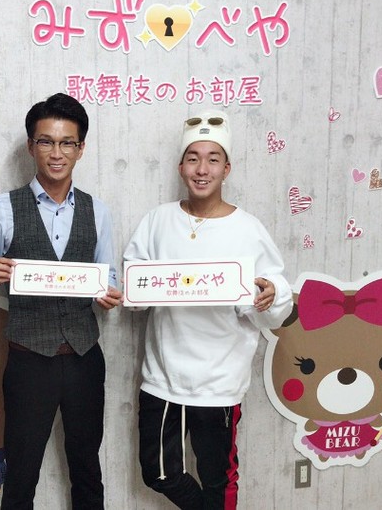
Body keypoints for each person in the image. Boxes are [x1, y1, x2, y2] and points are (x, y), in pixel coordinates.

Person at [123, 110, 293, 510]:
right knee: (158, 473)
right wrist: (139, 288)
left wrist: (271, 296)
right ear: (181, 167)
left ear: (226, 168)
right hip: (163, 377)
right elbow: (134, 287)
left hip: (220, 381)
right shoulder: (157, 221)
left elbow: (277, 297)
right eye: (193, 158)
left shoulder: (248, 229)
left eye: (213, 159)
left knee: (218, 478)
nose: (202, 169)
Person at [0, 92, 122, 510]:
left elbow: (107, 276)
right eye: (46, 141)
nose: (57, 153)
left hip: (85, 357)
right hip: (28, 360)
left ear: (80, 148)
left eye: (67, 142)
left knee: (87, 467)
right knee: (21, 472)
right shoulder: (1, 210)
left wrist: (110, 294)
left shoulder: (98, 211)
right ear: (31, 146)